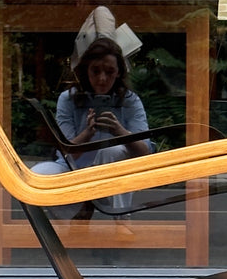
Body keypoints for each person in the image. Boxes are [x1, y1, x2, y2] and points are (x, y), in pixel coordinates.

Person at [31, 35, 153, 213]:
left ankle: (121, 219)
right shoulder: (69, 99)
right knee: (38, 176)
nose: (102, 79)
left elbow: (145, 151)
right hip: (73, 168)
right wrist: (87, 133)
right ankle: (67, 226)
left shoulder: (129, 100)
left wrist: (120, 132)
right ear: (86, 71)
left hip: (115, 173)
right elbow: (65, 149)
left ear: (118, 72)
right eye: (95, 71)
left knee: (112, 150)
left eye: (109, 72)